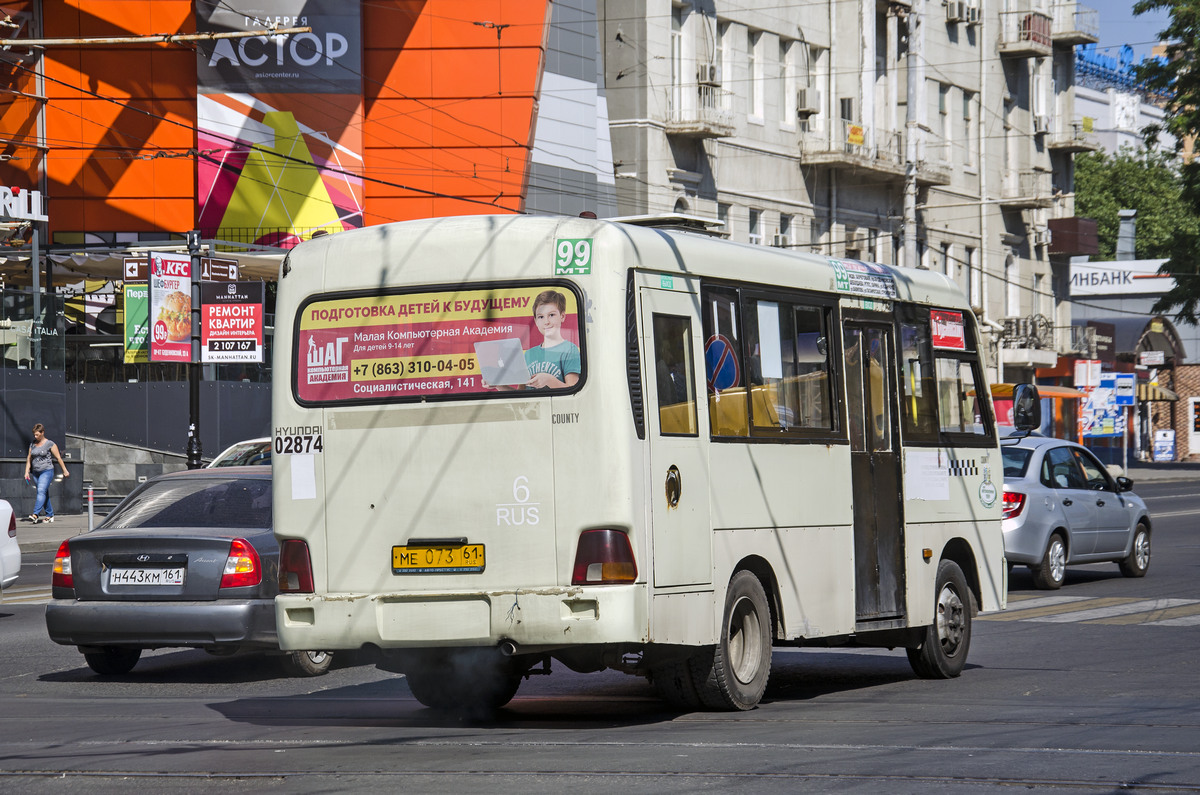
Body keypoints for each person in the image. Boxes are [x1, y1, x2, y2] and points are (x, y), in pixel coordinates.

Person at [523, 290, 581, 389]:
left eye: (551, 315)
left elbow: (574, 390)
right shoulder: (528, 354)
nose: (546, 322)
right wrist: (500, 386)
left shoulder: (570, 350)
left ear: (562, 316)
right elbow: (521, 395)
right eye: (541, 317)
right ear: (536, 321)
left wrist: (549, 381)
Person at [24, 423, 70, 523]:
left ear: (42, 433)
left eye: (37, 435)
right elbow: (29, 458)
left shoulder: (50, 444)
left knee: (41, 491)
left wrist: (65, 470)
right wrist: (26, 471)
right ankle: (50, 514)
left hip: (47, 471)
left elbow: (58, 458)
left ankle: (35, 514)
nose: (35, 436)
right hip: (36, 472)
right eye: (34, 435)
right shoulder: (32, 444)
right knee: (43, 493)